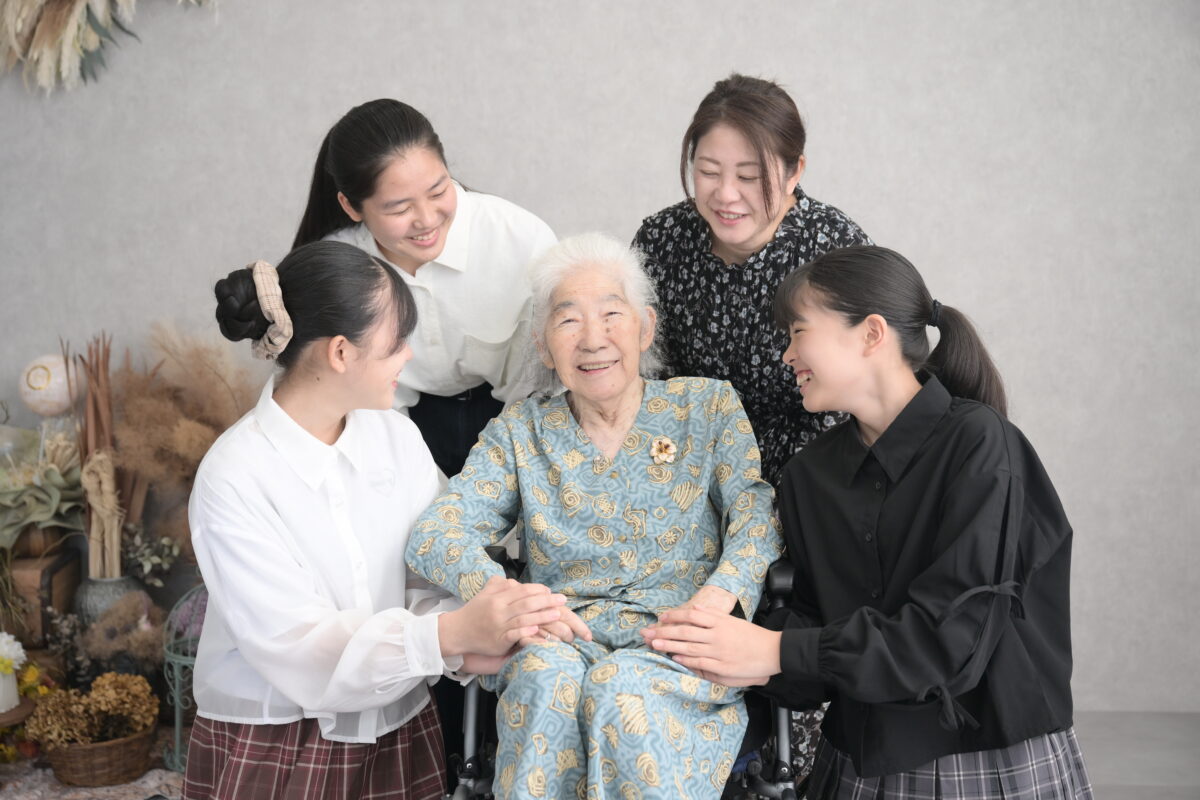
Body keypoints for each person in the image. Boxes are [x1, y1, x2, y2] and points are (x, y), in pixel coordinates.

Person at [643, 245, 1093, 799]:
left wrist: (775, 651)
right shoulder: (809, 476)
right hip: (857, 759)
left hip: (986, 760)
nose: (787, 355)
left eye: (798, 332)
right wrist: (719, 643)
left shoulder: (981, 445)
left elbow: (949, 643)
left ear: (871, 334)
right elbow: (814, 629)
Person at [183, 241, 572, 800]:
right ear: (341, 352)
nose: (408, 356)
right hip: (279, 743)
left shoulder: (394, 436)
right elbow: (301, 650)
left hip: (399, 726)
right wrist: (450, 635)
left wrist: (479, 636)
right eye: (396, 344)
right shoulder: (234, 476)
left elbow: (428, 568)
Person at [405, 233, 783, 800]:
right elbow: (435, 534)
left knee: (618, 689)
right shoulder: (521, 430)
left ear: (645, 328)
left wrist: (720, 597)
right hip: (562, 636)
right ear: (543, 345)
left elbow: (757, 518)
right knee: (543, 677)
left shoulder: (706, 407)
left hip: (677, 641)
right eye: (568, 321)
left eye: (611, 314)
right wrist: (514, 602)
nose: (592, 339)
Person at [294, 98, 557, 479]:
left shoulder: (520, 240)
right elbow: (353, 410)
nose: (427, 219)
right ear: (351, 207)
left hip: (513, 418)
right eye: (400, 209)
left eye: (437, 191)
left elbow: (540, 390)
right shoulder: (337, 268)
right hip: (390, 426)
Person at [634, 73, 871, 485]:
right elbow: (640, 375)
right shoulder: (661, 240)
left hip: (812, 476)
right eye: (709, 172)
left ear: (794, 171)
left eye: (748, 177)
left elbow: (861, 395)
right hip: (681, 469)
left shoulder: (836, 249)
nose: (726, 194)